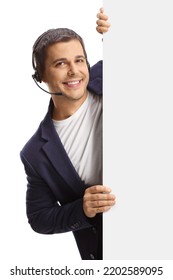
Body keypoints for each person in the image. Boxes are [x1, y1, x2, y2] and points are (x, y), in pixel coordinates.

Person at [20, 8, 115, 260]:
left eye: (79, 60)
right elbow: (39, 218)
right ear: (40, 75)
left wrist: (120, 35)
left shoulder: (113, 75)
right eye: (61, 64)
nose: (74, 71)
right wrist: (83, 210)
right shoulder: (34, 153)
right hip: (112, 255)